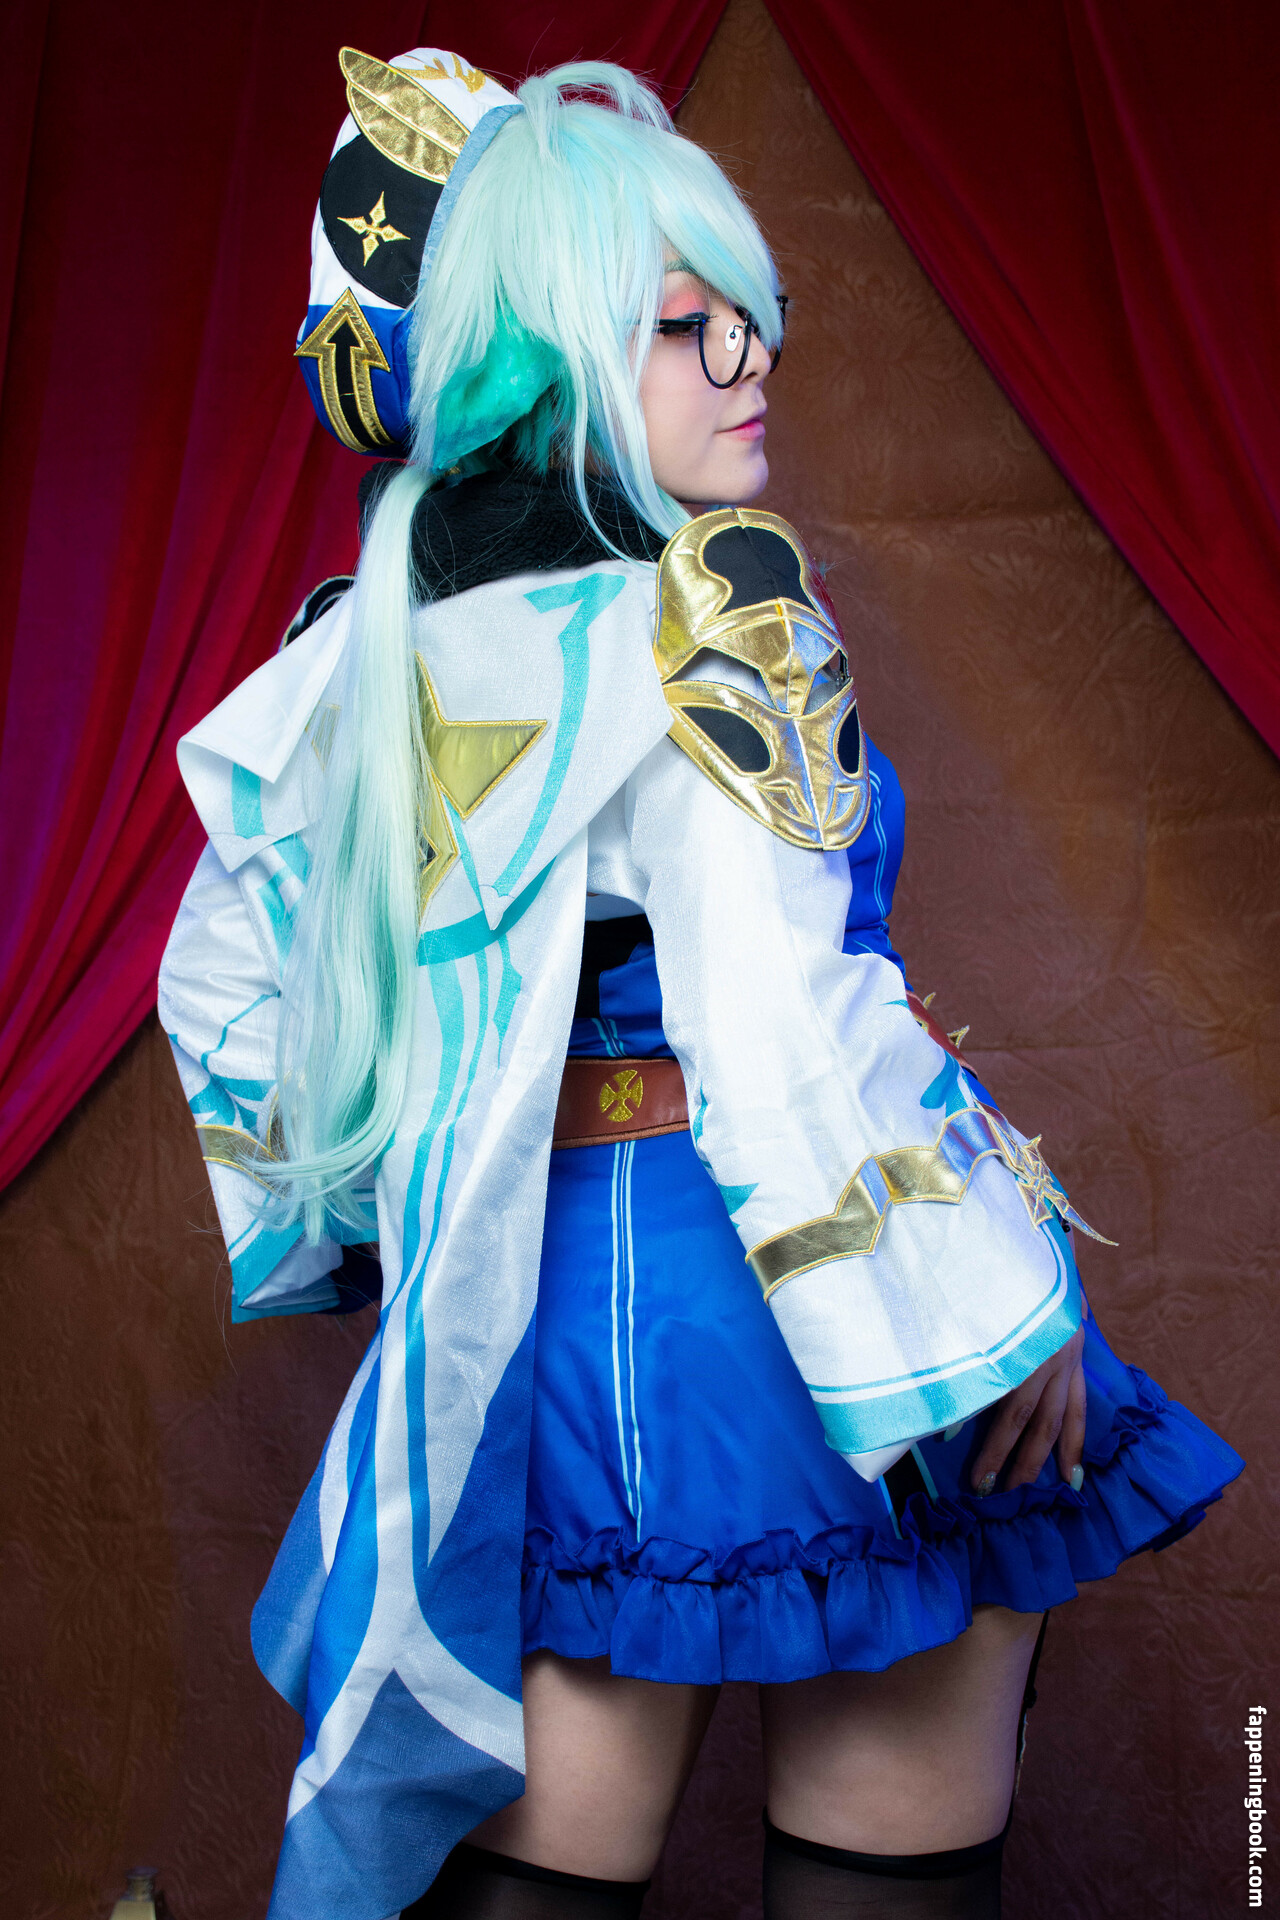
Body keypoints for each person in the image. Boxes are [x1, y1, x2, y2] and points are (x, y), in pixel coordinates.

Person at [157, 48, 1243, 1920]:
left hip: (520, 1354)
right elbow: (775, 1024)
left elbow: (229, 992)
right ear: (554, 353)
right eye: (684, 324)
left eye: (753, 317)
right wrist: (1000, 1308)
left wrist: (360, 1244)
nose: (750, 363)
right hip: (801, 1317)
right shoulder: (713, 613)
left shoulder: (352, 653)